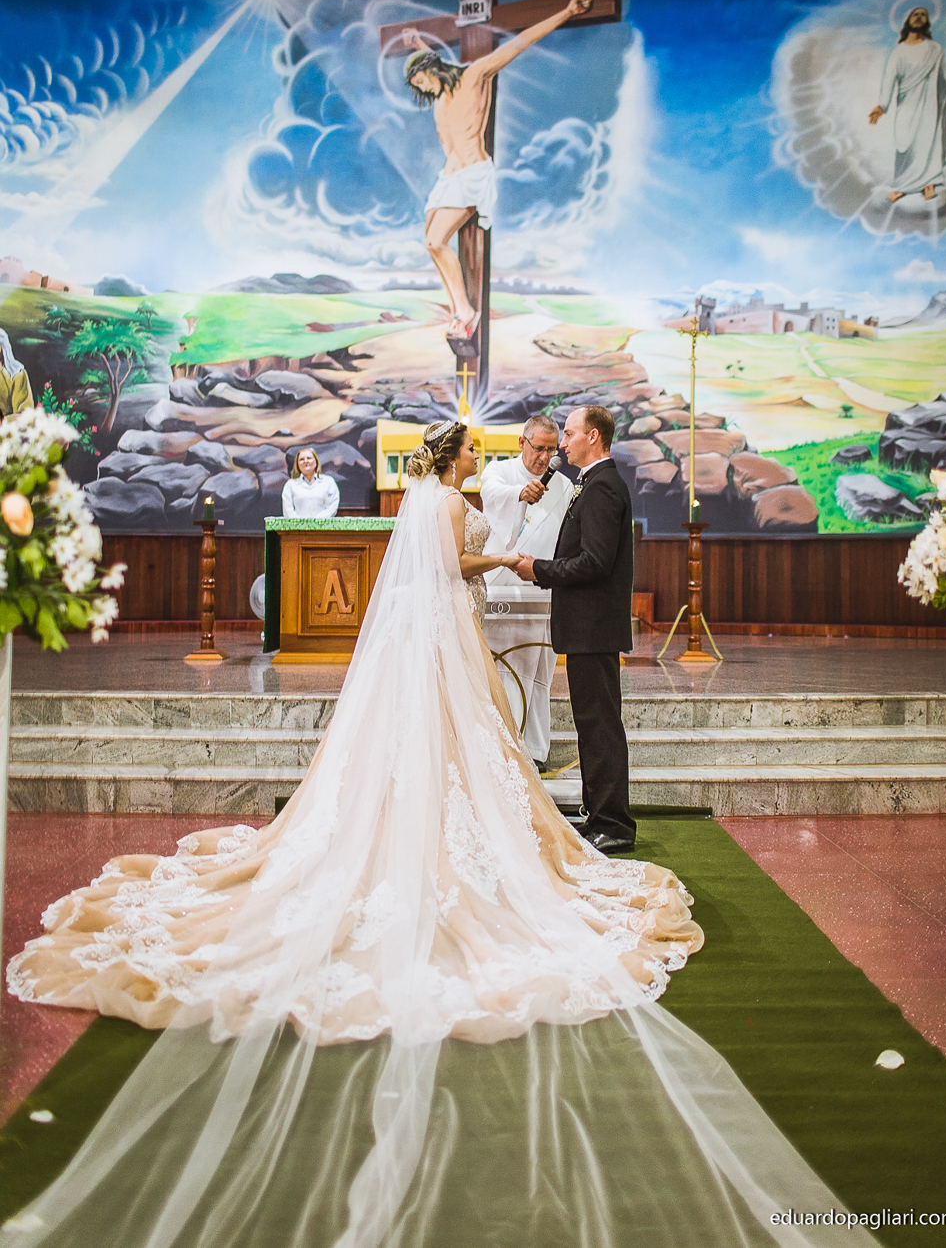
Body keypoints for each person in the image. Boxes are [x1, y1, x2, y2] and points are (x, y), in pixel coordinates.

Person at [4, 419, 876, 1247]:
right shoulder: (453, 504)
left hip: (415, 649)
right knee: (468, 742)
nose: (481, 459)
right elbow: (463, 564)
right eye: (475, 452)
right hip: (448, 640)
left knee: (413, 747)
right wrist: (504, 552)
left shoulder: (419, 502)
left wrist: (504, 542)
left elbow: (441, 566)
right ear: (455, 457)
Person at [401, 0, 592, 342]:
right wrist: (416, 44)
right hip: (449, 177)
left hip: (472, 175)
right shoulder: (440, 95)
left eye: (421, 81)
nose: (423, 89)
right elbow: (430, 59)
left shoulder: (475, 77)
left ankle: (465, 309)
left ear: (431, 72)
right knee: (430, 242)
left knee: (435, 241)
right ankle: (460, 307)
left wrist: (566, 12)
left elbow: (519, 43)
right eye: (417, 86)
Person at [514, 406, 635, 853]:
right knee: (592, 725)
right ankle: (598, 815)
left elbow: (596, 561)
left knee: (600, 726)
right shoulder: (594, 481)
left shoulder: (603, 487)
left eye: (569, 434)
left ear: (594, 438)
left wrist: (539, 569)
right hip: (588, 626)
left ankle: (615, 825)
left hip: (594, 626)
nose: (562, 443)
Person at [479, 414, 573, 765]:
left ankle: (534, 752)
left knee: (537, 673)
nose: (544, 457)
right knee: (500, 668)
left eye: (551, 450)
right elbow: (491, 494)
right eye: (538, 448)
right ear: (522, 443)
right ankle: (500, 748)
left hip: (541, 588)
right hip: (498, 585)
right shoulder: (499, 472)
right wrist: (520, 492)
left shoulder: (563, 486)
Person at [868, 5, 946, 202]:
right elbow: (889, 79)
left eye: (924, 15)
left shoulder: (934, 49)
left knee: (928, 141)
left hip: (930, 102)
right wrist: (882, 106)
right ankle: (902, 185)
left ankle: (929, 184)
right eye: (916, 14)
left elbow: (943, 79)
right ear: (908, 21)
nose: (920, 17)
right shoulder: (899, 51)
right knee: (904, 143)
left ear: (927, 22)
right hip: (907, 103)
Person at [281, 446, 340, 517]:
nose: (306, 461)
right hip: (297, 527)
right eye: (302, 459)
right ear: (298, 464)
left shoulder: (328, 482)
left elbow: (333, 506)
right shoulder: (290, 485)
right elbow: (288, 510)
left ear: (316, 461)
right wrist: (300, 525)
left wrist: (317, 521)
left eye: (309, 458)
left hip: (323, 526)